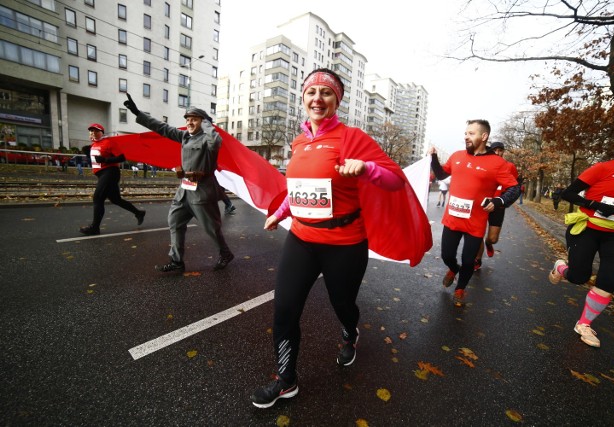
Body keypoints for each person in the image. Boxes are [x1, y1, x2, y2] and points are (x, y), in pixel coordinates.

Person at [251, 68, 418, 408]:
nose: (317, 98)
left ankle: (349, 332)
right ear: (303, 98)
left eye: (326, 93)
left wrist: (366, 168)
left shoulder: (352, 138)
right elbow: (297, 189)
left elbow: (395, 179)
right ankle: (286, 380)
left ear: (336, 100)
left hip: (344, 243)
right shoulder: (298, 142)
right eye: (311, 92)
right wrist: (280, 212)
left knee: (342, 305)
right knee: (284, 308)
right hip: (301, 239)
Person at [548, 124, 614, 348]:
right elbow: (568, 193)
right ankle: (562, 267)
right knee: (579, 276)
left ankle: (584, 324)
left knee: (608, 280)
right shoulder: (603, 168)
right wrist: (594, 204)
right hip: (589, 228)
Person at [123, 94, 234, 273]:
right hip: (184, 191)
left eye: (194, 119)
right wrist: (138, 113)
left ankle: (225, 253)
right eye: (188, 119)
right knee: (174, 221)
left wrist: (207, 123)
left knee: (211, 229)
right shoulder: (184, 136)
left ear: (203, 121)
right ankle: (177, 261)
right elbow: (162, 127)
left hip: (202, 192)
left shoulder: (208, 138)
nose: (189, 122)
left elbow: (216, 142)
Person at [429, 120, 520, 306]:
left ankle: (461, 288)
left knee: (469, 260)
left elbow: (514, 188)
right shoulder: (457, 156)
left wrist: (498, 201)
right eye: (465, 133)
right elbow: (441, 175)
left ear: (483, 136)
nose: (466, 136)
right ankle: (453, 269)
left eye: (471, 133)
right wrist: (434, 158)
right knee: (447, 255)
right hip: (452, 219)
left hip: (475, 223)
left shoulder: (498, 163)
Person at [79, 123, 146, 235]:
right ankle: (139, 213)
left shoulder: (108, 142)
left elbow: (122, 157)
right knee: (115, 199)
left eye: (96, 131)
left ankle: (95, 228)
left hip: (110, 172)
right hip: (102, 174)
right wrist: (87, 153)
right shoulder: (94, 145)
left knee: (98, 198)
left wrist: (105, 160)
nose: (93, 133)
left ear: (102, 132)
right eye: (91, 131)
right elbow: (96, 162)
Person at [473, 141, 519, 270]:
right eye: (495, 150)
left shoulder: (510, 166)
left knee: (493, 239)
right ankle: (477, 260)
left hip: (498, 206)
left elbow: (514, 187)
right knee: (477, 235)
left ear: (503, 151)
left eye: (500, 150)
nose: (498, 153)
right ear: (491, 151)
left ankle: (488, 243)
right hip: (481, 204)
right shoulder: (484, 164)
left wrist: (504, 200)